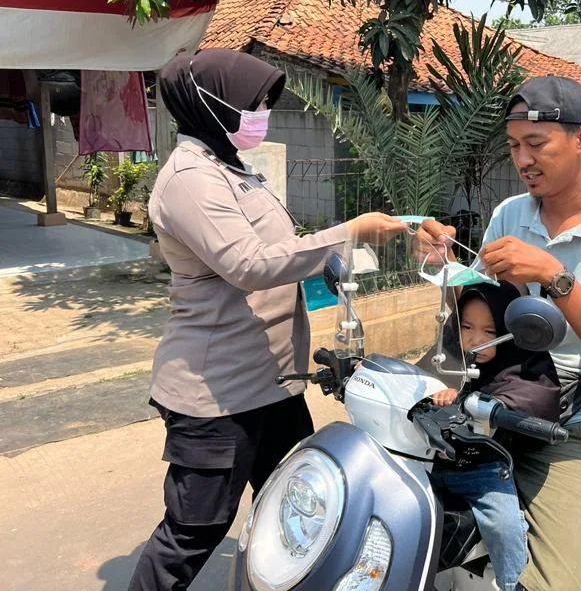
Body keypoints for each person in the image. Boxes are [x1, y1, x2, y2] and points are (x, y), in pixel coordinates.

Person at [128, 50, 408, 590]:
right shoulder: (190, 179)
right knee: (194, 530)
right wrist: (349, 232)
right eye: (253, 103)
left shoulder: (234, 168)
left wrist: (333, 257)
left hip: (274, 383)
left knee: (297, 507)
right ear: (212, 104)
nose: (262, 114)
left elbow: (280, 244)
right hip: (219, 394)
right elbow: (249, 265)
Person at [422, 74, 581, 591]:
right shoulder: (510, 214)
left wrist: (554, 276)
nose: (523, 160)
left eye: (536, 144)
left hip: (577, 426)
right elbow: (477, 320)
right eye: (513, 147)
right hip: (494, 404)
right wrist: (442, 269)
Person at [430, 282, 560, 591]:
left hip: (483, 469)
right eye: (466, 327)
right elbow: (420, 377)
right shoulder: (446, 357)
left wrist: (478, 402)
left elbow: (532, 397)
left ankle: (512, 582)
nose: (476, 340)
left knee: (504, 527)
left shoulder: (523, 366)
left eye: (490, 332)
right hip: (431, 462)